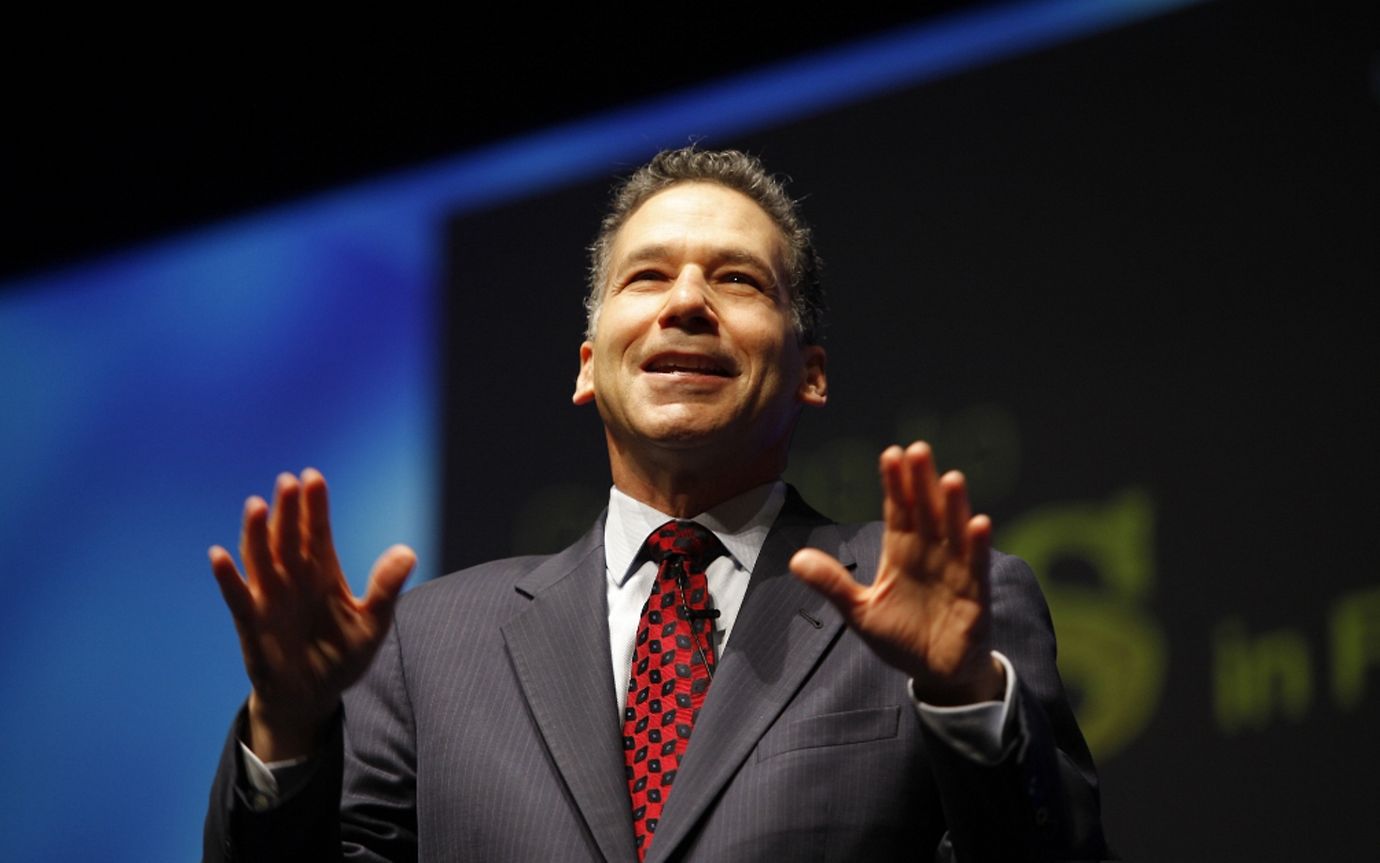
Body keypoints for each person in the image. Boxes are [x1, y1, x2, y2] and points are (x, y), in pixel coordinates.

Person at [204, 147, 1109, 861]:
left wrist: (958, 699)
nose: (686, 302)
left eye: (738, 280)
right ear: (589, 365)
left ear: (813, 374)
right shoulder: (428, 648)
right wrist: (287, 733)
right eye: (647, 277)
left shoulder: (947, 609)